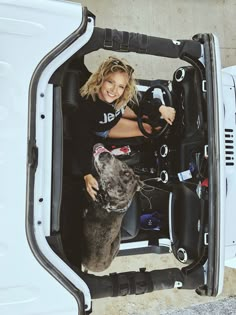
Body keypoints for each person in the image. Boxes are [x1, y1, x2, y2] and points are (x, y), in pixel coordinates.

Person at [72, 56, 176, 200]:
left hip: (115, 112)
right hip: (106, 127)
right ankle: (171, 141)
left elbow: (139, 103)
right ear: (101, 79)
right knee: (147, 129)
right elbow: (81, 141)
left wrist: (161, 108)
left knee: (148, 116)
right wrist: (87, 175)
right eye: (110, 82)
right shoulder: (87, 108)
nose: (114, 90)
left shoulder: (119, 97)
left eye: (121, 86)